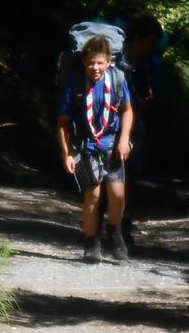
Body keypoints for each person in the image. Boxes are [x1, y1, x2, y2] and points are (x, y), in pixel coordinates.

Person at [57, 35, 135, 263]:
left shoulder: (118, 80)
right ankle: (91, 243)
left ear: (110, 62)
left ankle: (115, 231)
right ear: (84, 62)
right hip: (87, 146)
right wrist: (67, 154)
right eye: (91, 62)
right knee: (93, 196)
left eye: (100, 62)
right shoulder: (76, 84)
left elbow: (127, 111)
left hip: (113, 145)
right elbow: (62, 122)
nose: (95, 67)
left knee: (118, 196)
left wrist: (124, 140)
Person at [119, 15, 163, 245]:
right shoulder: (116, 58)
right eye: (148, 42)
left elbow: (150, 95)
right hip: (108, 123)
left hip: (134, 121)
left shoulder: (148, 64)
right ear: (136, 38)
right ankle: (99, 221)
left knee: (132, 173)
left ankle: (122, 221)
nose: (151, 48)